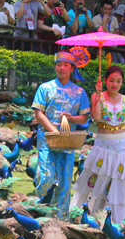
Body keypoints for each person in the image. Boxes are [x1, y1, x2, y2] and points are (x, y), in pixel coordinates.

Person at [71, 65, 125, 223]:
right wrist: (99, 95)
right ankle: (83, 217)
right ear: (105, 80)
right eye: (112, 80)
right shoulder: (96, 96)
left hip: (123, 147)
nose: (115, 84)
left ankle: (117, 222)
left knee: (119, 185)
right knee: (93, 181)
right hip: (102, 146)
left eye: (119, 81)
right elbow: (96, 117)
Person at [32, 48, 91, 218]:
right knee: (46, 176)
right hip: (46, 140)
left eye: (65, 65)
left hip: (67, 142)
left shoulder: (80, 92)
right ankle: (40, 211)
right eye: (59, 64)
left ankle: (61, 217)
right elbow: (38, 114)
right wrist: (53, 130)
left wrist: (71, 117)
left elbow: (84, 118)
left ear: (72, 68)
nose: (61, 68)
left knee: (65, 180)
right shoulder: (45, 88)